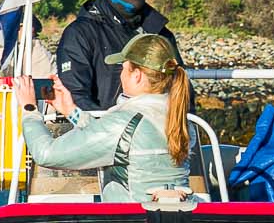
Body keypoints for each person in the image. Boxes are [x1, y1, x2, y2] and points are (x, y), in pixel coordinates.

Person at [13, 32, 192, 205]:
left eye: (123, 69)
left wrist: (30, 109)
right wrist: (71, 111)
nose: (120, 75)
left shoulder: (124, 122)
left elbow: (46, 154)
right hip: (176, 222)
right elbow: (117, 142)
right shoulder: (180, 119)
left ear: (136, 76)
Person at [55, 0, 182, 111]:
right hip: (103, 132)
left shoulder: (160, 33)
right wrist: (111, 129)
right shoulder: (80, 34)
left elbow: (181, 90)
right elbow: (75, 96)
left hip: (156, 131)